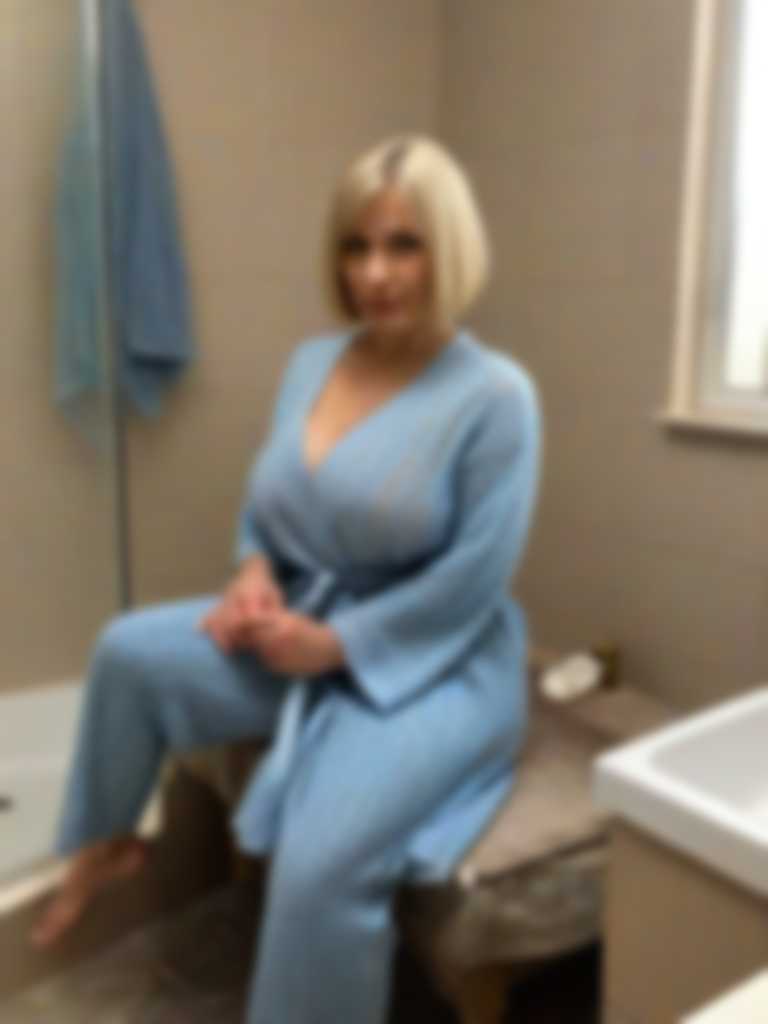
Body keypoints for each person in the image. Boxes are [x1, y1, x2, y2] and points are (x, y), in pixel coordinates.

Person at [32, 133, 542, 1024]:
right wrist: (254, 573)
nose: (375, 273)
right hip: (302, 618)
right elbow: (270, 504)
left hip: (438, 660)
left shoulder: (495, 396)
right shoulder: (314, 363)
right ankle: (108, 841)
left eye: (404, 245)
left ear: (450, 248)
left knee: (316, 866)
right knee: (128, 651)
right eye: (357, 245)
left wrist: (336, 646)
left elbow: (473, 579)